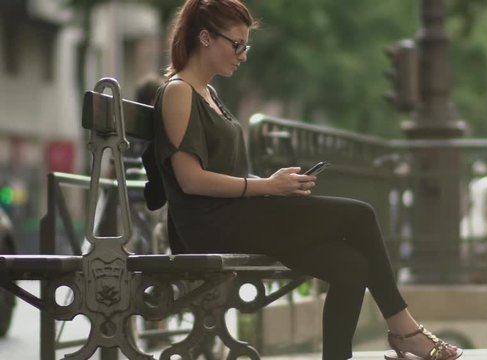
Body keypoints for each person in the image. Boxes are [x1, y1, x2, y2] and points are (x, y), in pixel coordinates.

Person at [149, 1, 464, 359]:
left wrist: (276, 185)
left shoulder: (209, 94)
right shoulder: (178, 92)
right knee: (360, 215)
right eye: (236, 44)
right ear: (205, 38)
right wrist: (267, 187)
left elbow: (225, 173)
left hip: (238, 216)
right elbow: (189, 180)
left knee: (350, 267)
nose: (243, 55)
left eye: (246, 46)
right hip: (211, 226)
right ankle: (404, 329)